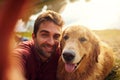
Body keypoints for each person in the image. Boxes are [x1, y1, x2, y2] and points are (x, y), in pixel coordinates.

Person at [11, 10, 64, 80]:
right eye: (45, 35)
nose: (51, 42)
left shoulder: (62, 56)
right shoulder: (24, 54)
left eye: (56, 36)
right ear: (34, 37)